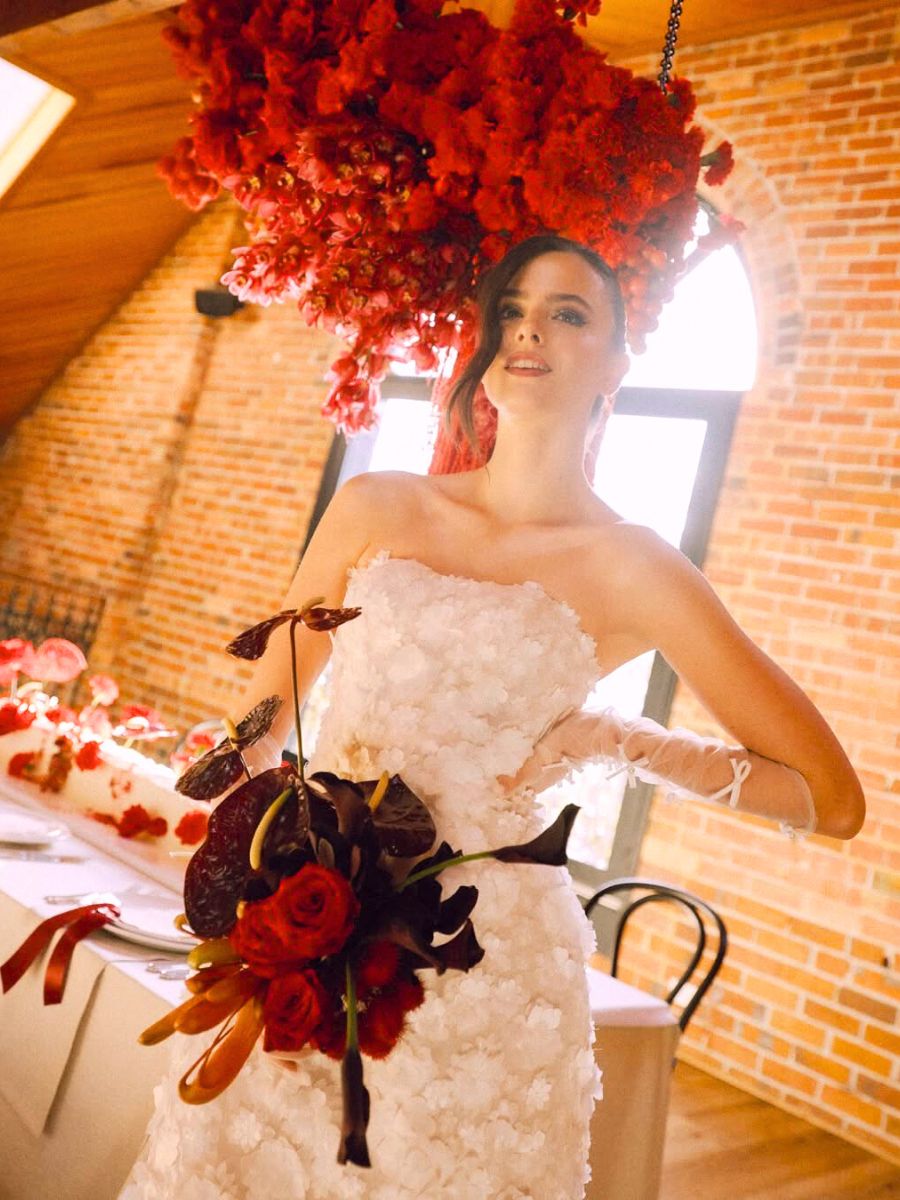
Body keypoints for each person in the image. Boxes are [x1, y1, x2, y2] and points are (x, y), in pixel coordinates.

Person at [118, 234, 865, 1200]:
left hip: (490, 968)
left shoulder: (638, 568)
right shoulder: (378, 504)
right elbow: (266, 707)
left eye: (568, 313)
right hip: (319, 914)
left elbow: (828, 798)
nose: (529, 330)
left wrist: (620, 740)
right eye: (513, 308)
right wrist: (235, 846)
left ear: (619, 363)